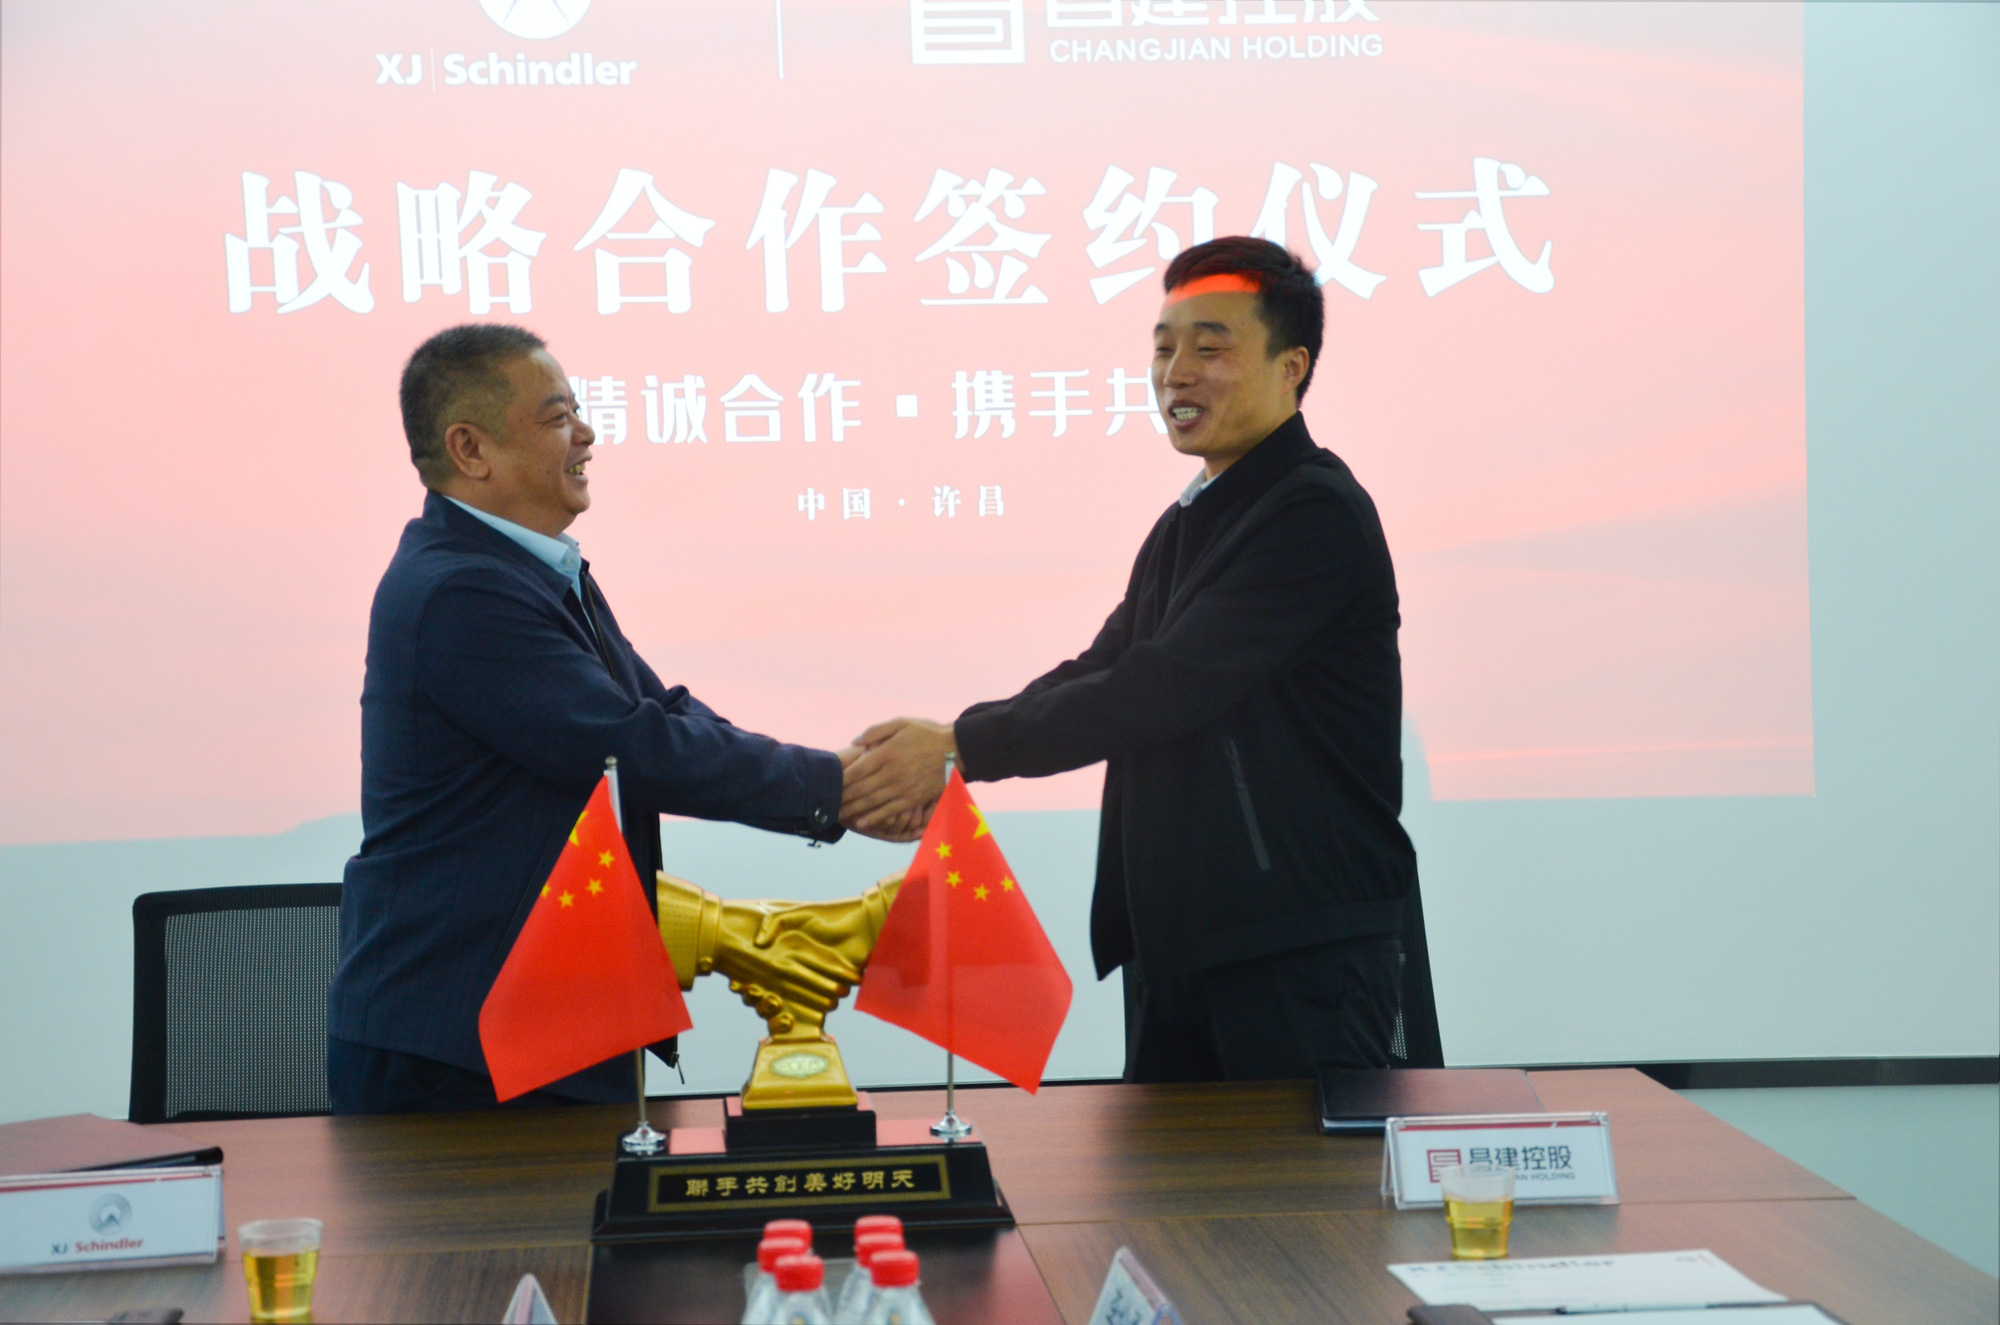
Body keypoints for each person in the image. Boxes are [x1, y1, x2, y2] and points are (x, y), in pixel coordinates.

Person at [840, 237, 1419, 1083]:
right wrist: (951, 748)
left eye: (1210, 348)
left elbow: (1162, 686)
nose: (1177, 373)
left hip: (1295, 953)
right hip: (1186, 949)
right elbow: (1102, 667)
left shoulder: (1314, 512)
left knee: (1296, 1175)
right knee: (1162, 1176)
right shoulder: (1189, 520)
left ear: (1292, 366)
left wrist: (961, 746)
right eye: (1164, 348)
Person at [328, 324, 889, 1114]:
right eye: (558, 417)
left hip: (537, 1026)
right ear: (470, 449)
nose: (586, 434)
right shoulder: (461, 592)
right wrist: (837, 786)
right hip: (463, 1048)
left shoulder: (529, 570)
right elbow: (630, 746)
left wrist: (834, 780)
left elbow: (658, 712)